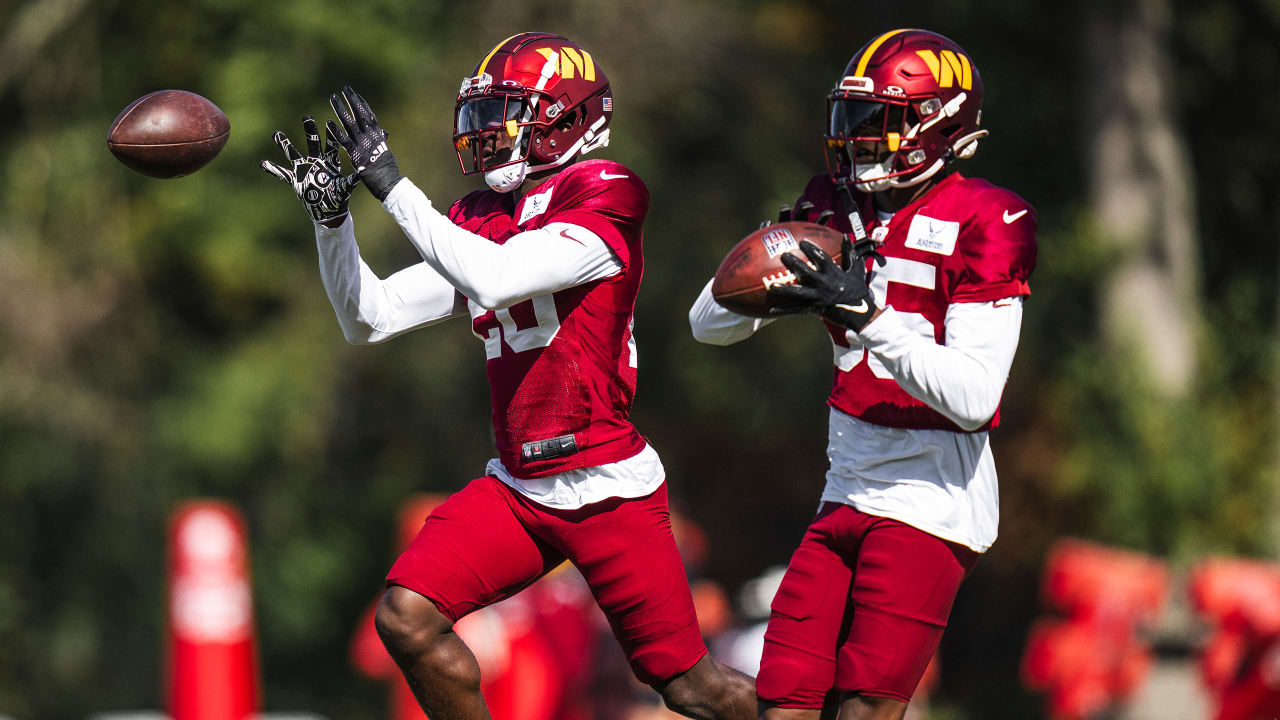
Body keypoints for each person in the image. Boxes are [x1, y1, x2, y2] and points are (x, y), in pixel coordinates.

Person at [262, 32, 754, 720]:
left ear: (568, 117)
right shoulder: (481, 218)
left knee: (692, 689)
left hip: (605, 481)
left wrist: (394, 187)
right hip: (520, 485)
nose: (490, 137)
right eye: (484, 119)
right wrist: (333, 221)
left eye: (508, 115)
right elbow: (368, 318)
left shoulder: (607, 190)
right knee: (406, 617)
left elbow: (494, 280)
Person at [689, 29, 1038, 720]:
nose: (858, 139)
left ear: (937, 124)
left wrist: (868, 316)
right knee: (783, 705)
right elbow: (708, 324)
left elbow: (973, 398)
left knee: (862, 712)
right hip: (845, 489)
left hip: (931, 499)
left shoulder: (987, 217)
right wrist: (772, 268)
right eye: (852, 119)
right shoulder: (830, 206)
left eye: (881, 121)